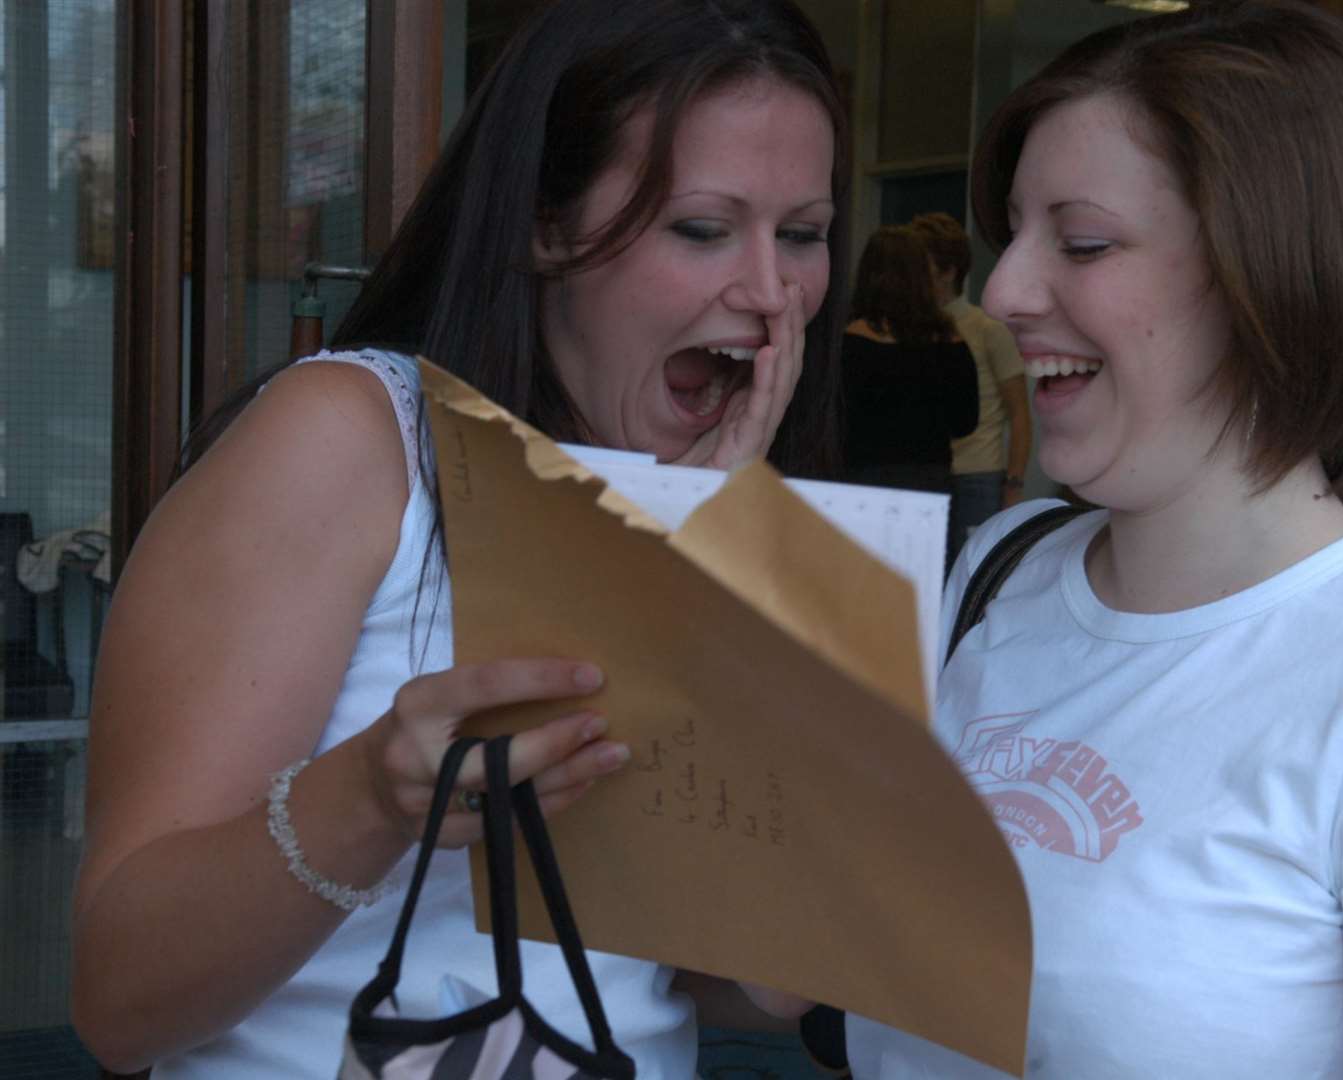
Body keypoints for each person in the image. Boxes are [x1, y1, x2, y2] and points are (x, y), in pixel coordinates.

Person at [69, 1, 847, 1076]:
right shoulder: (351, 438)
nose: (770, 294)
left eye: (803, 234)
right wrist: (375, 794)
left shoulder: (740, 505)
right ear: (542, 221)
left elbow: (725, 979)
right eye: (701, 228)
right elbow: (120, 999)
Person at [848, 2, 1343, 1077]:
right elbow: (799, 986)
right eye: (1011, 233)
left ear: (1279, 271)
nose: (1006, 290)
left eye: (1084, 241)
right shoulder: (998, 575)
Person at [908, 212, 1032, 566]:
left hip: (978, 476)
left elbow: (1020, 413)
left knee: (972, 572)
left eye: (922, 265)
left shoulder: (986, 328)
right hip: (927, 472)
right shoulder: (909, 330)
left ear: (947, 271)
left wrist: (1013, 486)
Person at [840, 225, 979, 494]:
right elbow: (966, 422)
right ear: (922, 275)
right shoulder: (950, 341)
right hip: (929, 479)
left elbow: (832, 423)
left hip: (859, 479)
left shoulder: (848, 342)